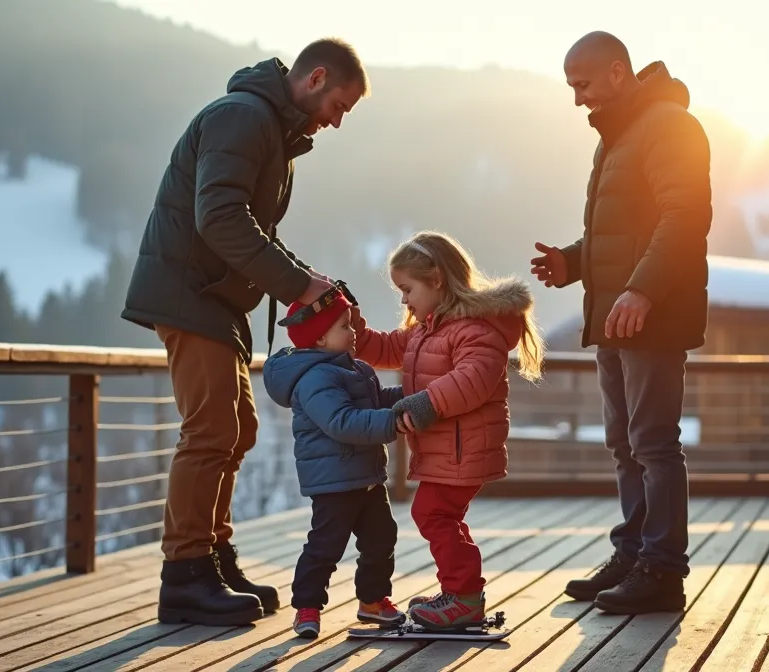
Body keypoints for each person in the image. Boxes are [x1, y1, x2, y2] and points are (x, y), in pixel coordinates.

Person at [121, 38, 370, 626]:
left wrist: (307, 279)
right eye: (339, 105)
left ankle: (214, 558)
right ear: (315, 79)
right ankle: (184, 575)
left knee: (237, 430)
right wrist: (296, 285)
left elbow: (250, 227)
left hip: (215, 301)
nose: (336, 121)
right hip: (191, 296)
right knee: (210, 431)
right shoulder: (243, 117)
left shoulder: (270, 134)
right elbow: (221, 219)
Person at [531, 31, 712, 615]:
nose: (578, 99)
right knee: (623, 445)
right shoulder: (618, 137)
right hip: (615, 318)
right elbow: (620, 231)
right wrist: (572, 262)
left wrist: (640, 290)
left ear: (616, 72)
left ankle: (662, 570)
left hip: (650, 316)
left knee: (654, 445)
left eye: (582, 85)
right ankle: (634, 553)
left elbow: (685, 219)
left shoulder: (670, 126)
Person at [353, 231, 546, 630]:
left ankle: (463, 599)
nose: (403, 300)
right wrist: (349, 322)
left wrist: (424, 403)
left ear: (437, 280)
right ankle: (459, 593)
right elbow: (387, 348)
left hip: (463, 449)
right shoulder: (428, 329)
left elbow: (473, 378)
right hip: (448, 448)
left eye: (407, 289)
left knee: (432, 512)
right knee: (440, 515)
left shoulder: (475, 328)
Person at [262, 289, 410, 639]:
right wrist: (393, 422)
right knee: (326, 545)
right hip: (334, 480)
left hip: (365, 476)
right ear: (320, 337)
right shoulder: (315, 379)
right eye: (345, 325)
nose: (354, 330)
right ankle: (307, 607)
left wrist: (408, 395)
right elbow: (342, 422)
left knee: (381, 537)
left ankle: (372, 600)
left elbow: (374, 401)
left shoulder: (355, 368)